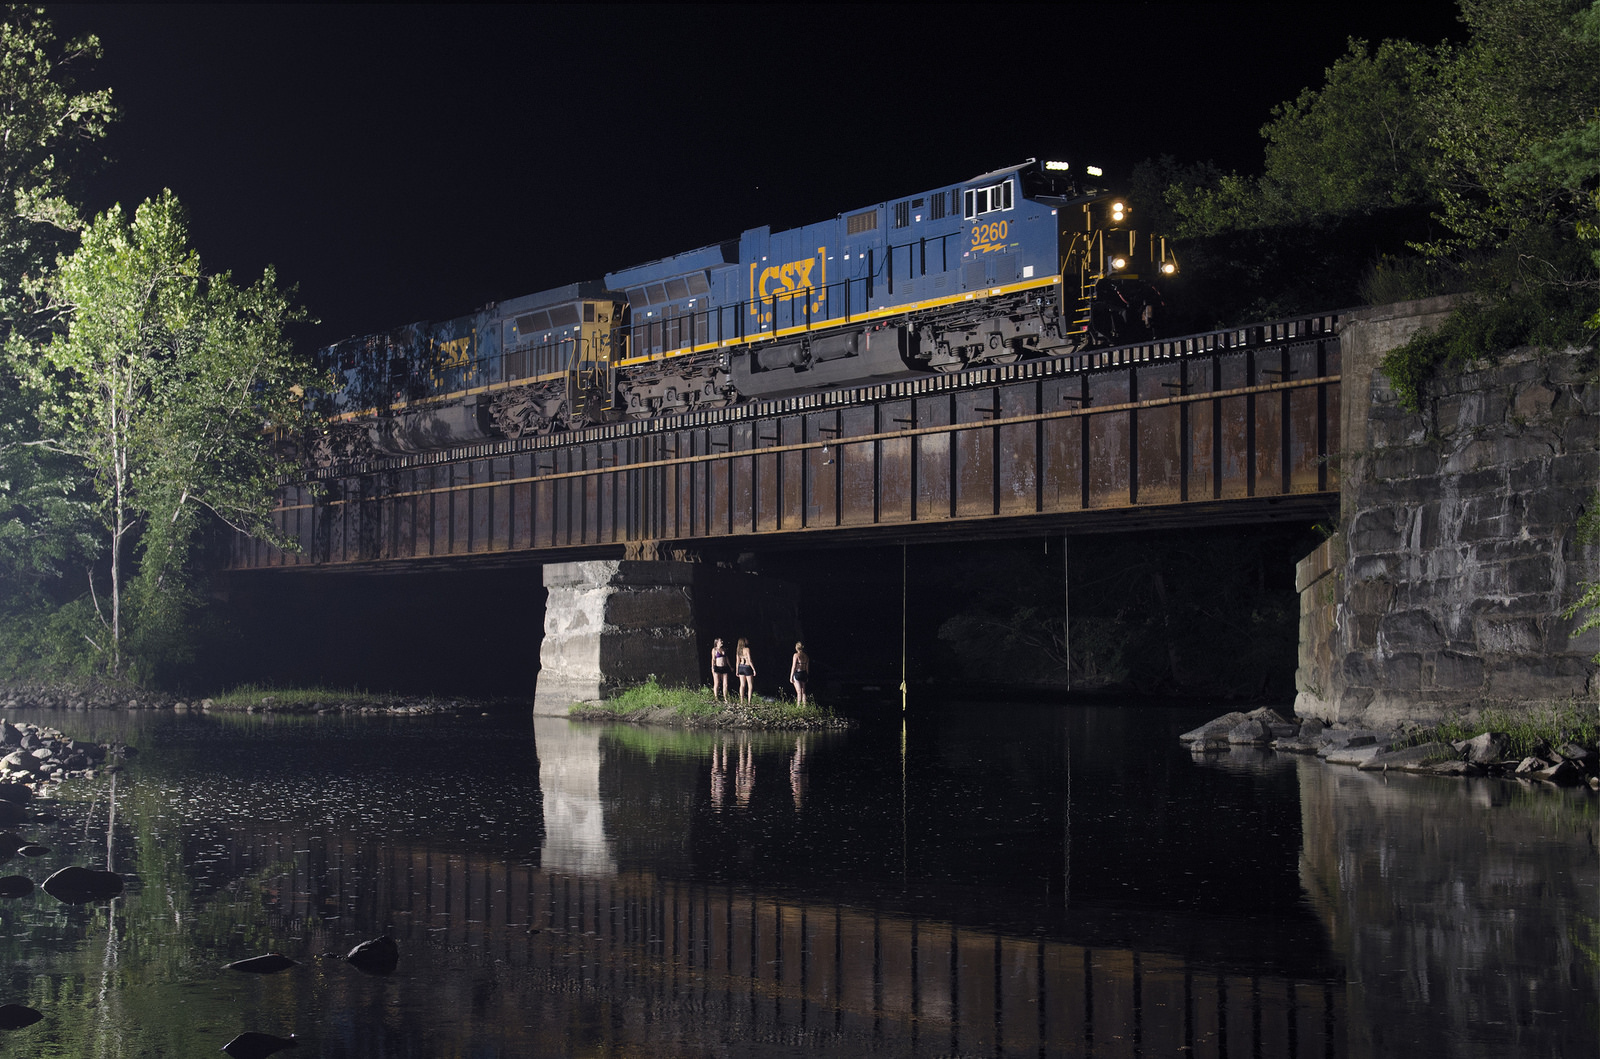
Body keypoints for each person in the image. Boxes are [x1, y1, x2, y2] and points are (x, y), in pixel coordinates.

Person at [789, 641, 811, 706]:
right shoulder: (806, 656)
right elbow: (807, 668)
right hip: (804, 674)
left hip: (797, 674)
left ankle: (798, 706)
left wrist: (791, 676)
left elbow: (794, 666)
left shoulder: (796, 655)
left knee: (799, 692)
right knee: (803, 692)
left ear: (796, 648)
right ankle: (804, 706)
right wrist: (807, 676)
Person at [735, 637, 756, 704]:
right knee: (750, 685)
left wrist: (737, 671)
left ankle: (741, 701)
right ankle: (749, 701)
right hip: (747, 667)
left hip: (741, 667)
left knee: (742, 685)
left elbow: (737, 662)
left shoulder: (738, 650)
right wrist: (753, 669)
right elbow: (749, 660)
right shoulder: (747, 649)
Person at [710, 638, 730, 703]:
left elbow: (726, 658)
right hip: (717, 668)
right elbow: (713, 659)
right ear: (717, 642)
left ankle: (725, 698)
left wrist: (730, 666)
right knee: (717, 683)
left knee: (725, 684)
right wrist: (712, 667)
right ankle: (716, 698)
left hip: (724, 667)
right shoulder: (714, 650)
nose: (722, 642)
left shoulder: (724, 649)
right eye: (720, 641)